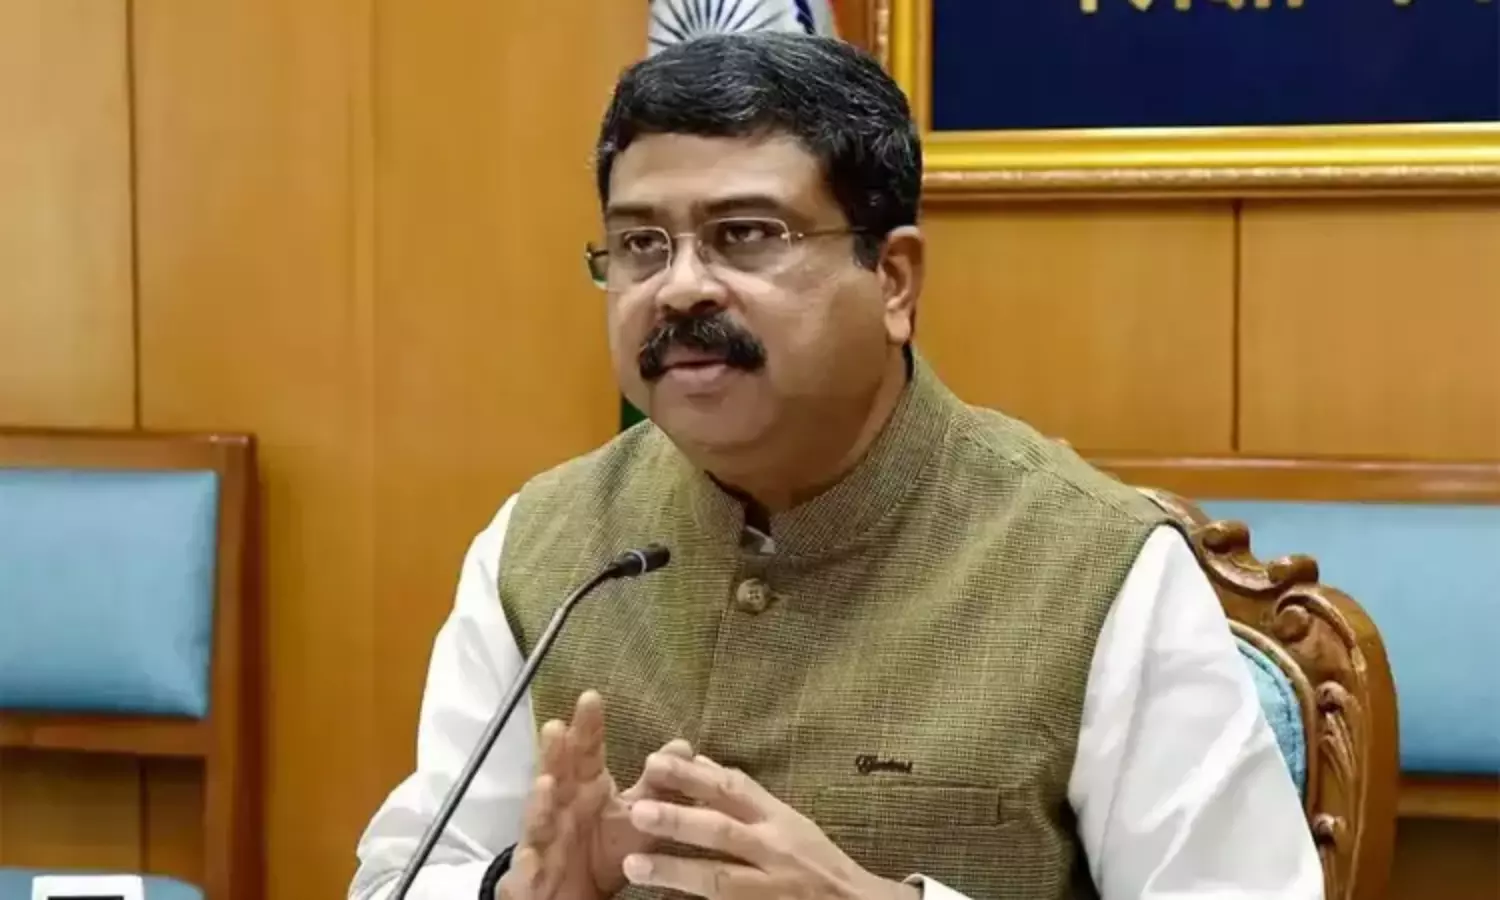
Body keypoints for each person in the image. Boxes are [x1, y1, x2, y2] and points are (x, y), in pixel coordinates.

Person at [349, 32, 1322, 900]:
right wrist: (512, 891)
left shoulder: (1095, 567)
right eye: (641, 243)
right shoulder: (543, 546)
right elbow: (400, 876)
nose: (679, 287)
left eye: (745, 235)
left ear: (893, 281)